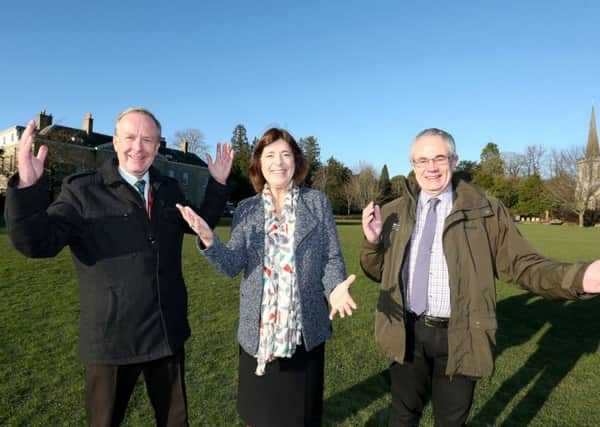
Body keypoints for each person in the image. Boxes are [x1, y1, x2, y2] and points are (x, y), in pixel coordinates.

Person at [4, 107, 233, 426]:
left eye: (147, 139)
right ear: (114, 141)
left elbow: (201, 225)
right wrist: (27, 191)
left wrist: (218, 184)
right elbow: (37, 243)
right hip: (111, 341)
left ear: (157, 146)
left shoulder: (168, 190)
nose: (137, 146)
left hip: (165, 333)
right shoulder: (82, 190)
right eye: (129, 137)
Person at [360, 128, 600, 427]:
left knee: (451, 421)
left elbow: (522, 265)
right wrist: (372, 243)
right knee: (402, 415)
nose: (430, 168)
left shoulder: (485, 211)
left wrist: (581, 278)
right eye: (422, 160)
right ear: (412, 164)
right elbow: (378, 272)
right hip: (408, 331)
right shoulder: (394, 211)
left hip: (463, 333)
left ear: (455, 160)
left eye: (439, 158)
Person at [176, 128, 356, 427]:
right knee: (258, 417)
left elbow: (331, 257)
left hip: (303, 336)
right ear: (259, 163)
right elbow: (233, 264)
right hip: (257, 338)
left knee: (301, 418)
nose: (278, 162)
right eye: (270, 155)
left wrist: (335, 287)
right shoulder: (246, 209)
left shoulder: (317, 202)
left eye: (286, 154)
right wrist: (210, 241)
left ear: (297, 162)